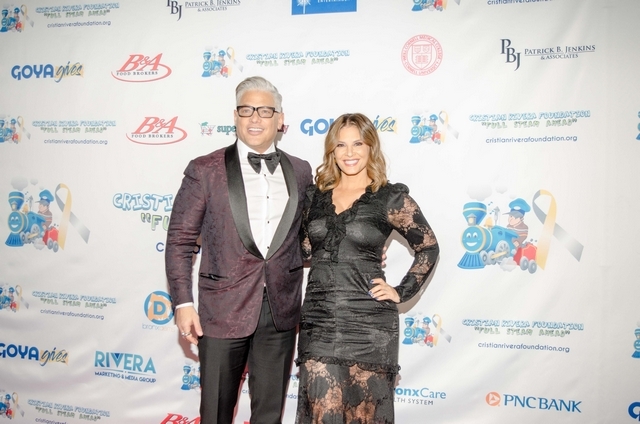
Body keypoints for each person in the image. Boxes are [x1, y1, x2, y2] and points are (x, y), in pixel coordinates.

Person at [165, 76, 313, 424]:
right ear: (235, 116)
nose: (255, 118)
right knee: (215, 411)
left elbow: (308, 234)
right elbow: (180, 240)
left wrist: (357, 249)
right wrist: (183, 303)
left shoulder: (301, 170)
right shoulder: (205, 169)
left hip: (279, 310)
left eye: (265, 110)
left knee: (268, 414)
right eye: (246, 110)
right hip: (221, 311)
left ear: (280, 119)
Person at [295, 113, 440, 423]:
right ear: (332, 151)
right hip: (319, 320)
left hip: (370, 326)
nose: (349, 153)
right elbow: (304, 250)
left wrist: (401, 291)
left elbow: (428, 247)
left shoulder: (389, 198)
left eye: (358, 144)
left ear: (371, 147)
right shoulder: (314, 197)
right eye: (341, 145)